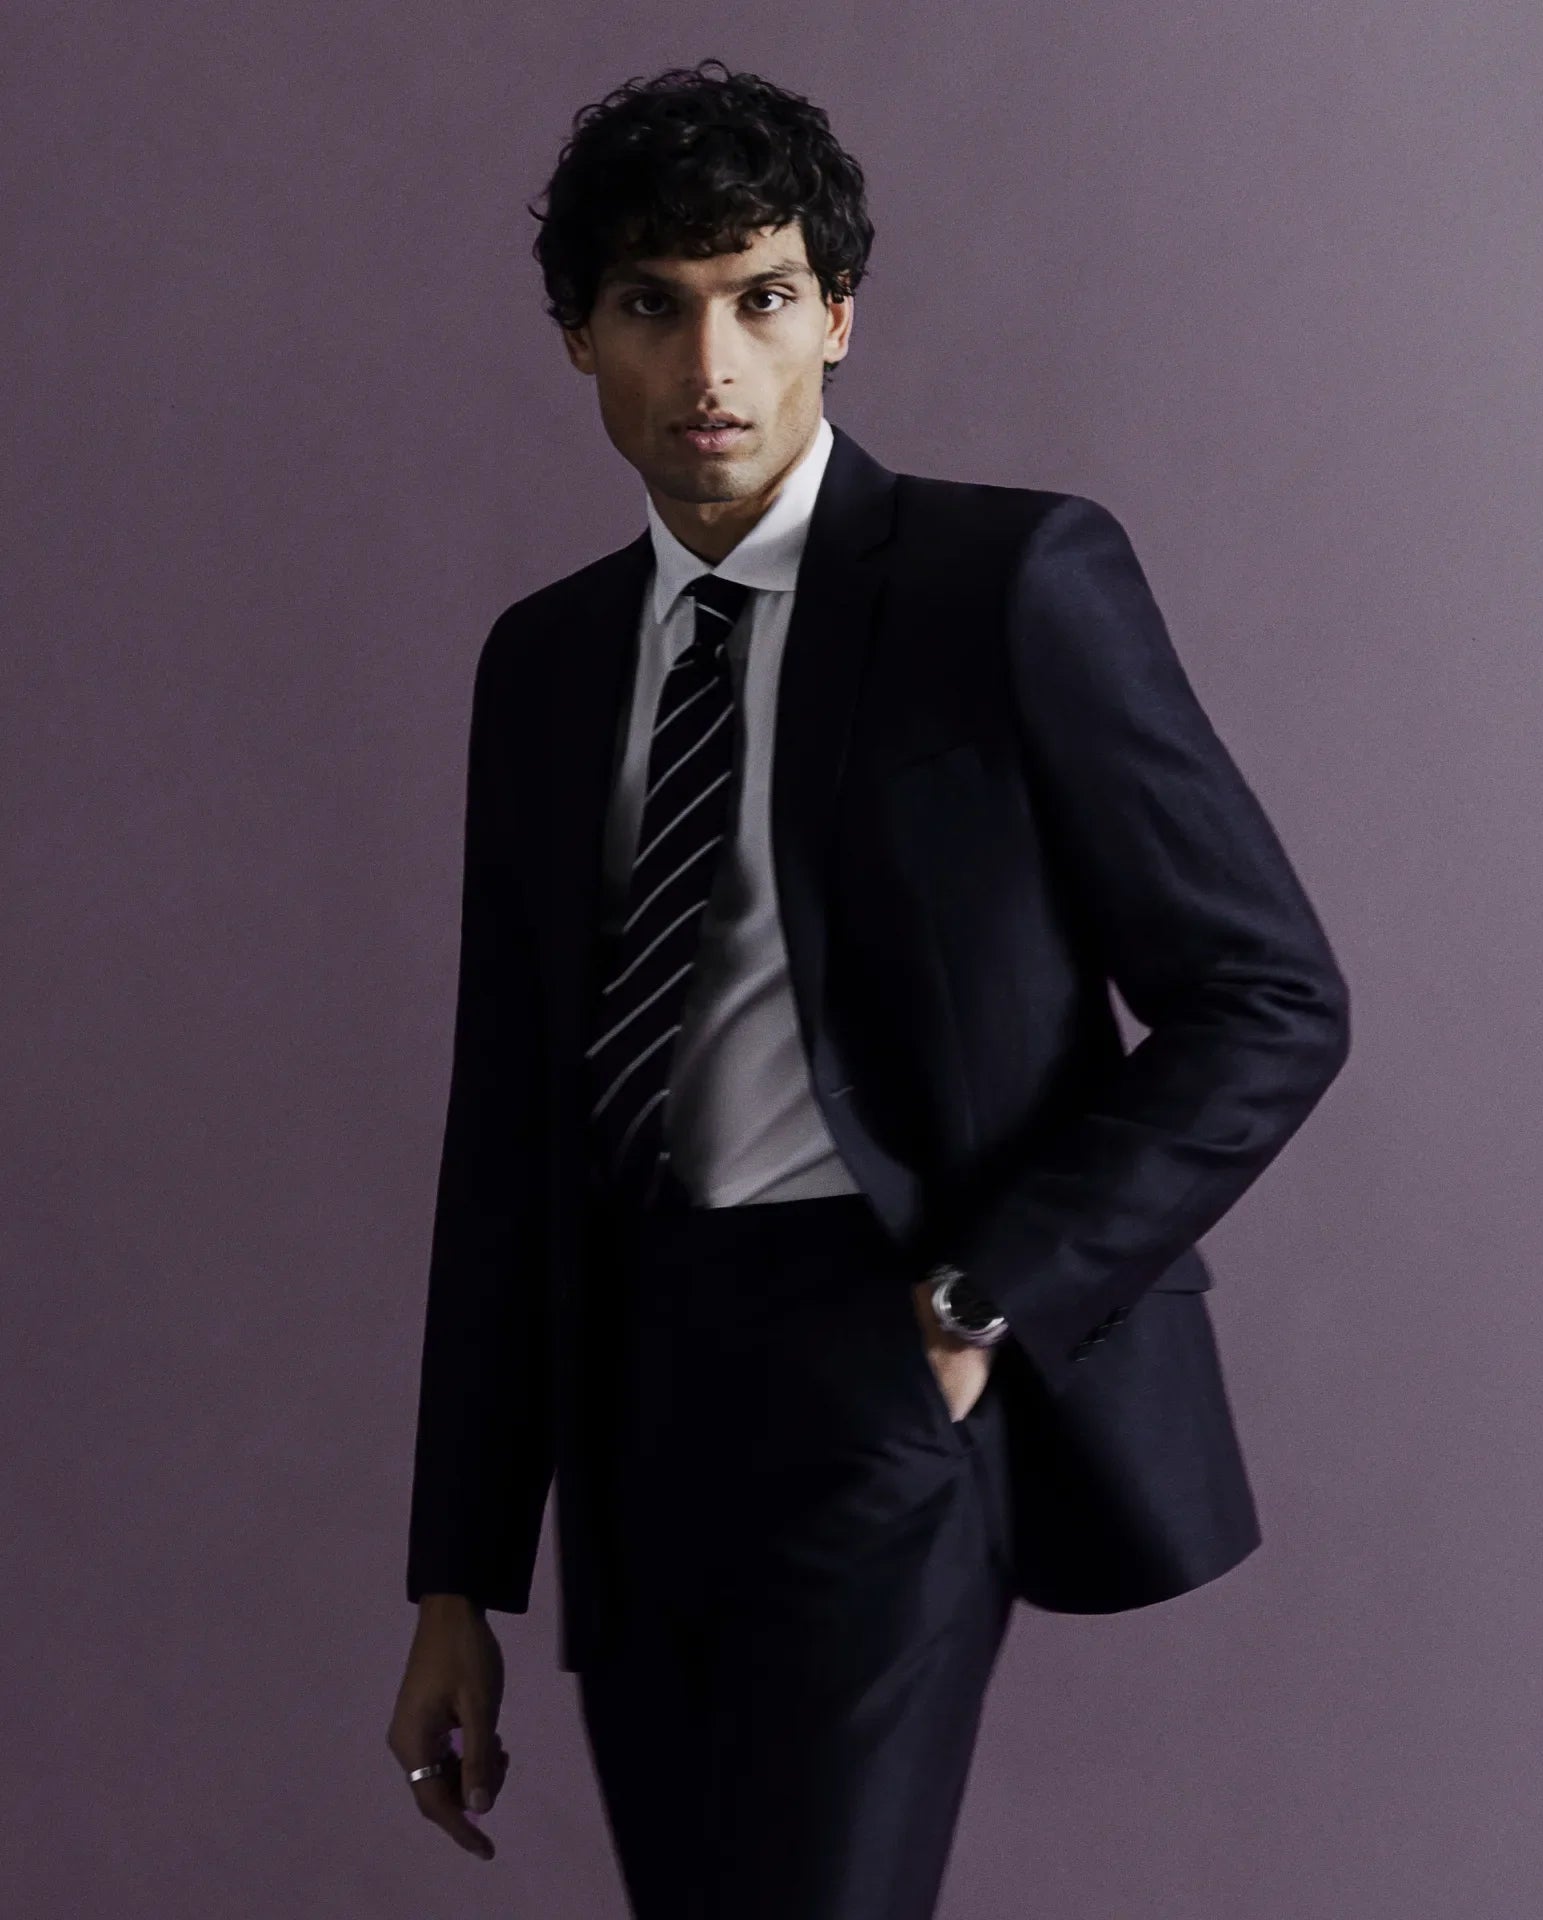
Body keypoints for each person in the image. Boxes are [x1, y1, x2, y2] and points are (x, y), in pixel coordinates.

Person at [380, 60, 1352, 1917]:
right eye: (652, 307)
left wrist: (984, 1300)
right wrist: (457, 1576)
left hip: (883, 1361)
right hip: (635, 1399)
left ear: (838, 314)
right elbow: (504, 1134)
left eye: (759, 299)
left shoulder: (1008, 585)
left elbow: (1268, 994)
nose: (711, 366)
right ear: (579, 339)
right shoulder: (547, 664)